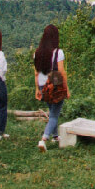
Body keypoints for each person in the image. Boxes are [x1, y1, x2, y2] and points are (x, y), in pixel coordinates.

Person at [33, 24, 69, 152]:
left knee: (52, 112)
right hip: (56, 84)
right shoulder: (58, 52)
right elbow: (61, 71)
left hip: (43, 85)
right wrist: (66, 89)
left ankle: (55, 136)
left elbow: (36, 72)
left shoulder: (37, 53)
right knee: (54, 115)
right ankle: (44, 139)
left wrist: (38, 89)